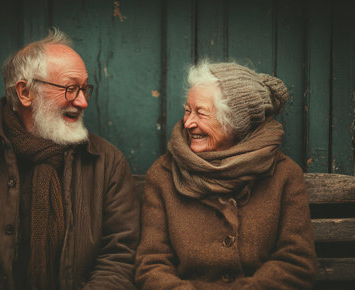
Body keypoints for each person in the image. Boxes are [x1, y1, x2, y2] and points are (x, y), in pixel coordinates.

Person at [0, 28, 140, 290]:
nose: (82, 101)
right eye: (70, 88)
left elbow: (120, 257)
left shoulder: (106, 161)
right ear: (25, 93)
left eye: (85, 88)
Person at [135, 61, 317, 289]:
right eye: (187, 110)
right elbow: (152, 265)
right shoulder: (163, 175)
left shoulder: (284, 174)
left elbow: (297, 263)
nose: (188, 122)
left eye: (201, 113)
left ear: (236, 124)